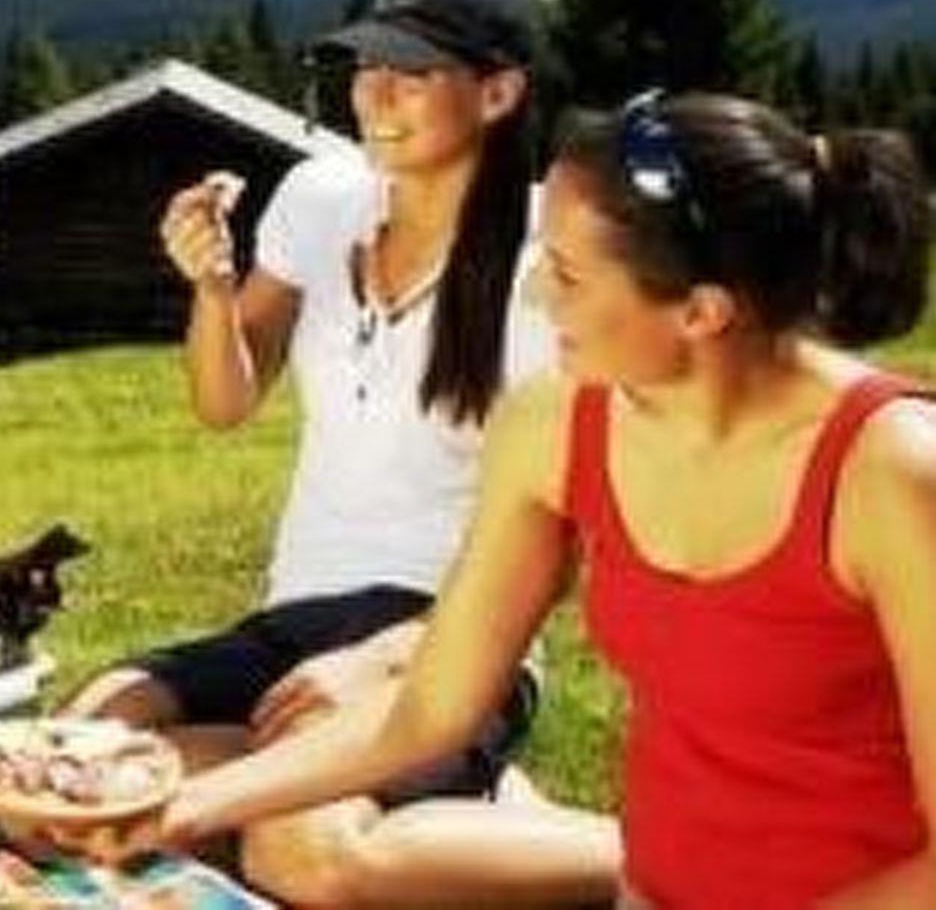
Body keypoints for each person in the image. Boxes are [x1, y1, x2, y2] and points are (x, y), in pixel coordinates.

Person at [114, 90, 936, 910]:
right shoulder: (557, 421)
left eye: (569, 275)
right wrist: (183, 807)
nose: (538, 294)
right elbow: (431, 707)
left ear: (700, 311)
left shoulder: (893, 473)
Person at [63, 0, 620, 906]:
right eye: (366, 66)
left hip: (446, 636)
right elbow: (224, 403)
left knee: (297, 853)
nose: (374, 94)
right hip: (295, 615)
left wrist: (383, 661)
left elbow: (557, 542)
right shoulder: (321, 197)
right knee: (80, 745)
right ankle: (458, 809)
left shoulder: (548, 261)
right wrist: (211, 290)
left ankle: (653, 861)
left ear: (498, 93)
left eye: (412, 72)